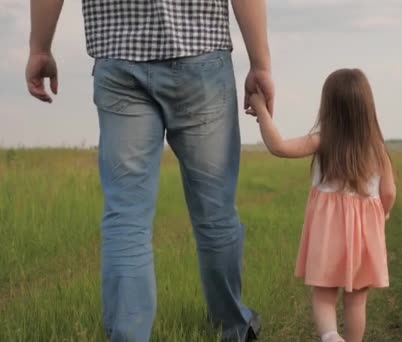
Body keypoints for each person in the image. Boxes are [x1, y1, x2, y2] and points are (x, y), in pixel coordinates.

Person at [25, 0, 274, 341]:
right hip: (201, 53)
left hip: (119, 56)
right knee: (215, 209)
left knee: (126, 215)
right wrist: (260, 63)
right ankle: (233, 327)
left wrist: (39, 47)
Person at [246, 68, 396, 342]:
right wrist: (383, 214)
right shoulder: (378, 149)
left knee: (324, 296)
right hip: (364, 234)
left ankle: (329, 336)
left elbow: (278, 146)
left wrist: (261, 109)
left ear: (328, 107)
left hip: (328, 231)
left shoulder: (323, 140)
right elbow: (389, 193)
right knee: (356, 302)